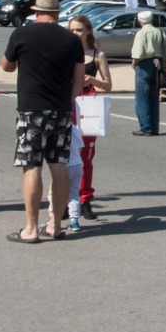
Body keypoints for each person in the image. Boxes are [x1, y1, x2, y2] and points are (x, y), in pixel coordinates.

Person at [0, 0, 85, 242]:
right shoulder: (71, 40)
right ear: (58, 13)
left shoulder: (22, 34)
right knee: (59, 166)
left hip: (31, 109)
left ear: (36, 11)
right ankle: (55, 226)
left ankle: (30, 228)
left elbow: (7, 65)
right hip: (60, 110)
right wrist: (67, 102)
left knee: (32, 166)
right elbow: (78, 81)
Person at [69, 14, 112, 222]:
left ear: (88, 31)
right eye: (72, 30)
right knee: (66, 156)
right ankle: (68, 199)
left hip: (88, 105)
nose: (75, 34)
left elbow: (108, 84)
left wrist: (93, 79)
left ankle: (85, 199)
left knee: (85, 156)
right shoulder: (66, 52)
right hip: (68, 104)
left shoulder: (96, 54)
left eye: (78, 30)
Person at [131, 10, 166, 136]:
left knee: (142, 98)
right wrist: (164, 67)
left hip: (144, 64)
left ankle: (145, 127)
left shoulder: (141, 33)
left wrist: (134, 63)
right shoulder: (160, 32)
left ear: (140, 20)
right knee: (154, 97)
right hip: (157, 64)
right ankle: (154, 127)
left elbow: (138, 53)